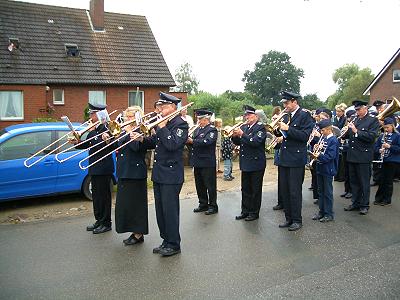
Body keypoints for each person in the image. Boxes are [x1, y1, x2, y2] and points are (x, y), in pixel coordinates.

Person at [147, 92, 188, 257]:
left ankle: (174, 243)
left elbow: (172, 145)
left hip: (171, 175)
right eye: (160, 106)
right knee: (161, 210)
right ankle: (166, 239)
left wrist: (162, 127)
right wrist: (140, 139)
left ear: (172, 107)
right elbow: (156, 142)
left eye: (163, 107)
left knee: (170, 210)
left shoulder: (180, 125)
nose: (160, 109)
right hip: (159, 174)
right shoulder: (163, 123)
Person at [73, 103, 115, 234]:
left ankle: (106, 222)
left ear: (99, 114)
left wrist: (92, 133)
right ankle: (99, 220)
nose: (90, 116)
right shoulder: (94, 129)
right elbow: (88, 144)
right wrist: (77, 142)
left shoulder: (108, 128)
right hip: (94, 166)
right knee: (96, 196)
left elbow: (106, 146)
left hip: (104, 167)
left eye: (92, 114)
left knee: (104, 197)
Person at [114, 106, 153, 245]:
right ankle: (133, 231)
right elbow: (118, 147)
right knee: (126, 205)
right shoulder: (124, 130)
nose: (127, 119)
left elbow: (137, 148)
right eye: (126, 116)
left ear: (137, 117)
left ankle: (138, 233)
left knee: (137, 206)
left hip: (135, 173)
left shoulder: (142, 130)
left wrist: (130, 131)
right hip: (124, 171)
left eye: (130, 116)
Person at [277, 91, 314, 231]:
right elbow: (285, 135)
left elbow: (304, 136)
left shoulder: (305, 116)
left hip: (296, 158)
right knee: (285, 190)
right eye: (284, 103)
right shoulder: (287, 116)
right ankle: (288, 218)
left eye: (287, 103)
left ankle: (297, 220)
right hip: (285, 157)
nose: (285, 106)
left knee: (294, 191)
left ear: (294, 102)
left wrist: (288, 129)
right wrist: (278, 130)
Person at [343, 100, 380, 215]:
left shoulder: (373, 121)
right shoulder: (355, 119)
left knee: (364, 182)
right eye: (356, 110)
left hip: (363, 156)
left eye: (359, 109)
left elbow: (371, 137)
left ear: (365, 108)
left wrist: (356, 131)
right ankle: (355, 202)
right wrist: (344, 132)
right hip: (352, 156)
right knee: (354, 182)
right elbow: (350, 136)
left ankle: (364, 205)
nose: (357, 112)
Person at [232, 105, 267, 221]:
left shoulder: (260, 127)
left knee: (255, 190)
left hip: (256, 163)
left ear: (256, 116)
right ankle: (245, 210)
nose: (247, 117)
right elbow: (239, 142)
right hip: (246, 163)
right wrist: (234, 136)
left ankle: (254, 212)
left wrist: (242, 134)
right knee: (245, 189)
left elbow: (255, 142)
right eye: (246, 115)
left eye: (249, 115)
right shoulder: (245, 127)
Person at [187, 109, 218, 215]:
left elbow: (208, 142)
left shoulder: (212, 130)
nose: (198, 121)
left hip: (207, 162)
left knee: (210, 185)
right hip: (197, 161)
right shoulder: (197, 130)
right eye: (198, 119)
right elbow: (194, 144)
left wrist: (193, 141)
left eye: (200, 119)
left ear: (206, 119)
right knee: (199, 185)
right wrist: (188, 142)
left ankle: (213, 206)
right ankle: (203, 204)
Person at [311, 119, 339, 222]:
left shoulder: (333, 140)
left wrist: (319, 155)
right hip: (320, 168)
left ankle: (328, 214)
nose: (321, 133)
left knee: (327, 192)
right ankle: (321, 211)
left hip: (328, 169)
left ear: (329, 129)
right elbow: (322, 151)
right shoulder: (324, 138)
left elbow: (330, 156)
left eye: (323, 130)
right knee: (321, 191)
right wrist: (317, 148)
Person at [373, 117, 400, 206]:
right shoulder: (382, 136)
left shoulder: (397, 136)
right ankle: (379, 198)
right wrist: (379, 150)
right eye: (385, 127)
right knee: (381, 179)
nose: (386, 129)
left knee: (388, 180)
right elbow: (375, 146)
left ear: (392, 126)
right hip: (383, 160)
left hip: (392, 160)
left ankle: (387, 199)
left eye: (388, 127)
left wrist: (390, 147)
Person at [339, 109, 356, 200]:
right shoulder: (347, 126)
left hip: (352, 151)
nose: (350, 120)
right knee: (346, 171)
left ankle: (351, 191)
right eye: (349, 118)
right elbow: (342, 136)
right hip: (345, 150)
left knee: (351, 172)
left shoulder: (355, 126)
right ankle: (347, 189)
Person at [333, 103, 347, 182]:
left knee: (341, 158)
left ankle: (341, 176)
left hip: (342, 139)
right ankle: (336, 175)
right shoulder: (334, 118)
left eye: (339, 111)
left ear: (343, 112)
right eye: (336, 111)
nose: (337, 113)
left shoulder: (345, 119)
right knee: (336, 157)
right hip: (336, 138)